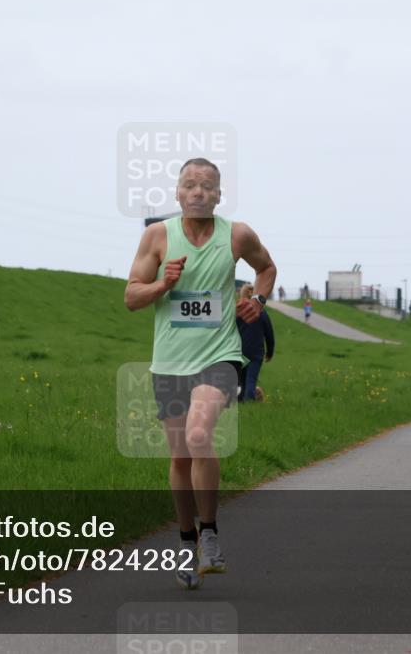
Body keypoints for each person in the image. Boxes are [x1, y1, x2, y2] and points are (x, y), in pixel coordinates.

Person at [125, 158, 276, 589]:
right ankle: (186, 542)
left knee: (197, 436)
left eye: (207, 186)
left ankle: (209, 533)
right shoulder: (157, 237)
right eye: (190, 185)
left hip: (220, 355)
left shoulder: (237, 235)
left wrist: (258, 302)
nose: (198, 192)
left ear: (218, 195)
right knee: (179, 457)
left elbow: (266, 269)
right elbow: (132, 297)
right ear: (177, 193)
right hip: (170, 362)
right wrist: (162, 285)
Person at [236, 284, 275, 402]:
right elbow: (269, 333)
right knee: (251, 379)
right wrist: (270, 352)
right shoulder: (261, 312)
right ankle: (249, 401)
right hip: (256, 352)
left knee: (241, 379)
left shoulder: (237, 311)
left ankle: (240, 400)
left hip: (239, 351)